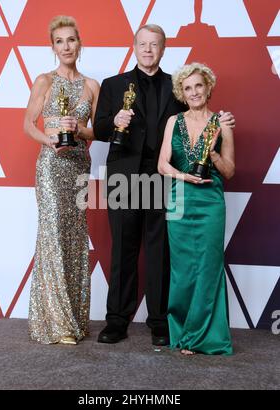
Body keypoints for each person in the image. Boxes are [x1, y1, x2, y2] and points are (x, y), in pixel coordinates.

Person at [94, 24, 234, 346]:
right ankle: (116, 320)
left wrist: (223, 123)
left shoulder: (178, 86)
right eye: (142, 44)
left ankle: (160, 321)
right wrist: (114, 121)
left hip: (163, 176)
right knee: (123, 249)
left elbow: (197, 119)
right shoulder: (113, 85)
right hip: (124, 175)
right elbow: (99, 128)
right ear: (134, 46)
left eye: (154, 45)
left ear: (163, 49)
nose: (147, 49)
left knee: (160, 251)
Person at [24, 15, 100, 345]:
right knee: (52, 234)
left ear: (79, 43)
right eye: (60, 41)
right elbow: (28, 123)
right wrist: (48, 139)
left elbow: (98, 131)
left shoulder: (92, 86)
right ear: (53, 47)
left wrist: (79, 130)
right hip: (52, 167)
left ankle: (74, 318)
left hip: (78, 165)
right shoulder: (44, 80)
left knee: (73, 237)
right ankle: (57, 322)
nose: (66, 46)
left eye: (71, 39)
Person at [158, 62, 234, 355]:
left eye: (198, 86)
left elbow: (229, 171)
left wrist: (213, 152)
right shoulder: (173, 122)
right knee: (183, 270)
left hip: (210, 202)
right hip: (178, 198)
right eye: (187, 88)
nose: (194, 92)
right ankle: (185, 332)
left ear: (208, 87)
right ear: (181, 91)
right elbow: (162, 164)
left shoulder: (222, 123)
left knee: (207, 267)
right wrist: (182, 175)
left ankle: (205, 336)